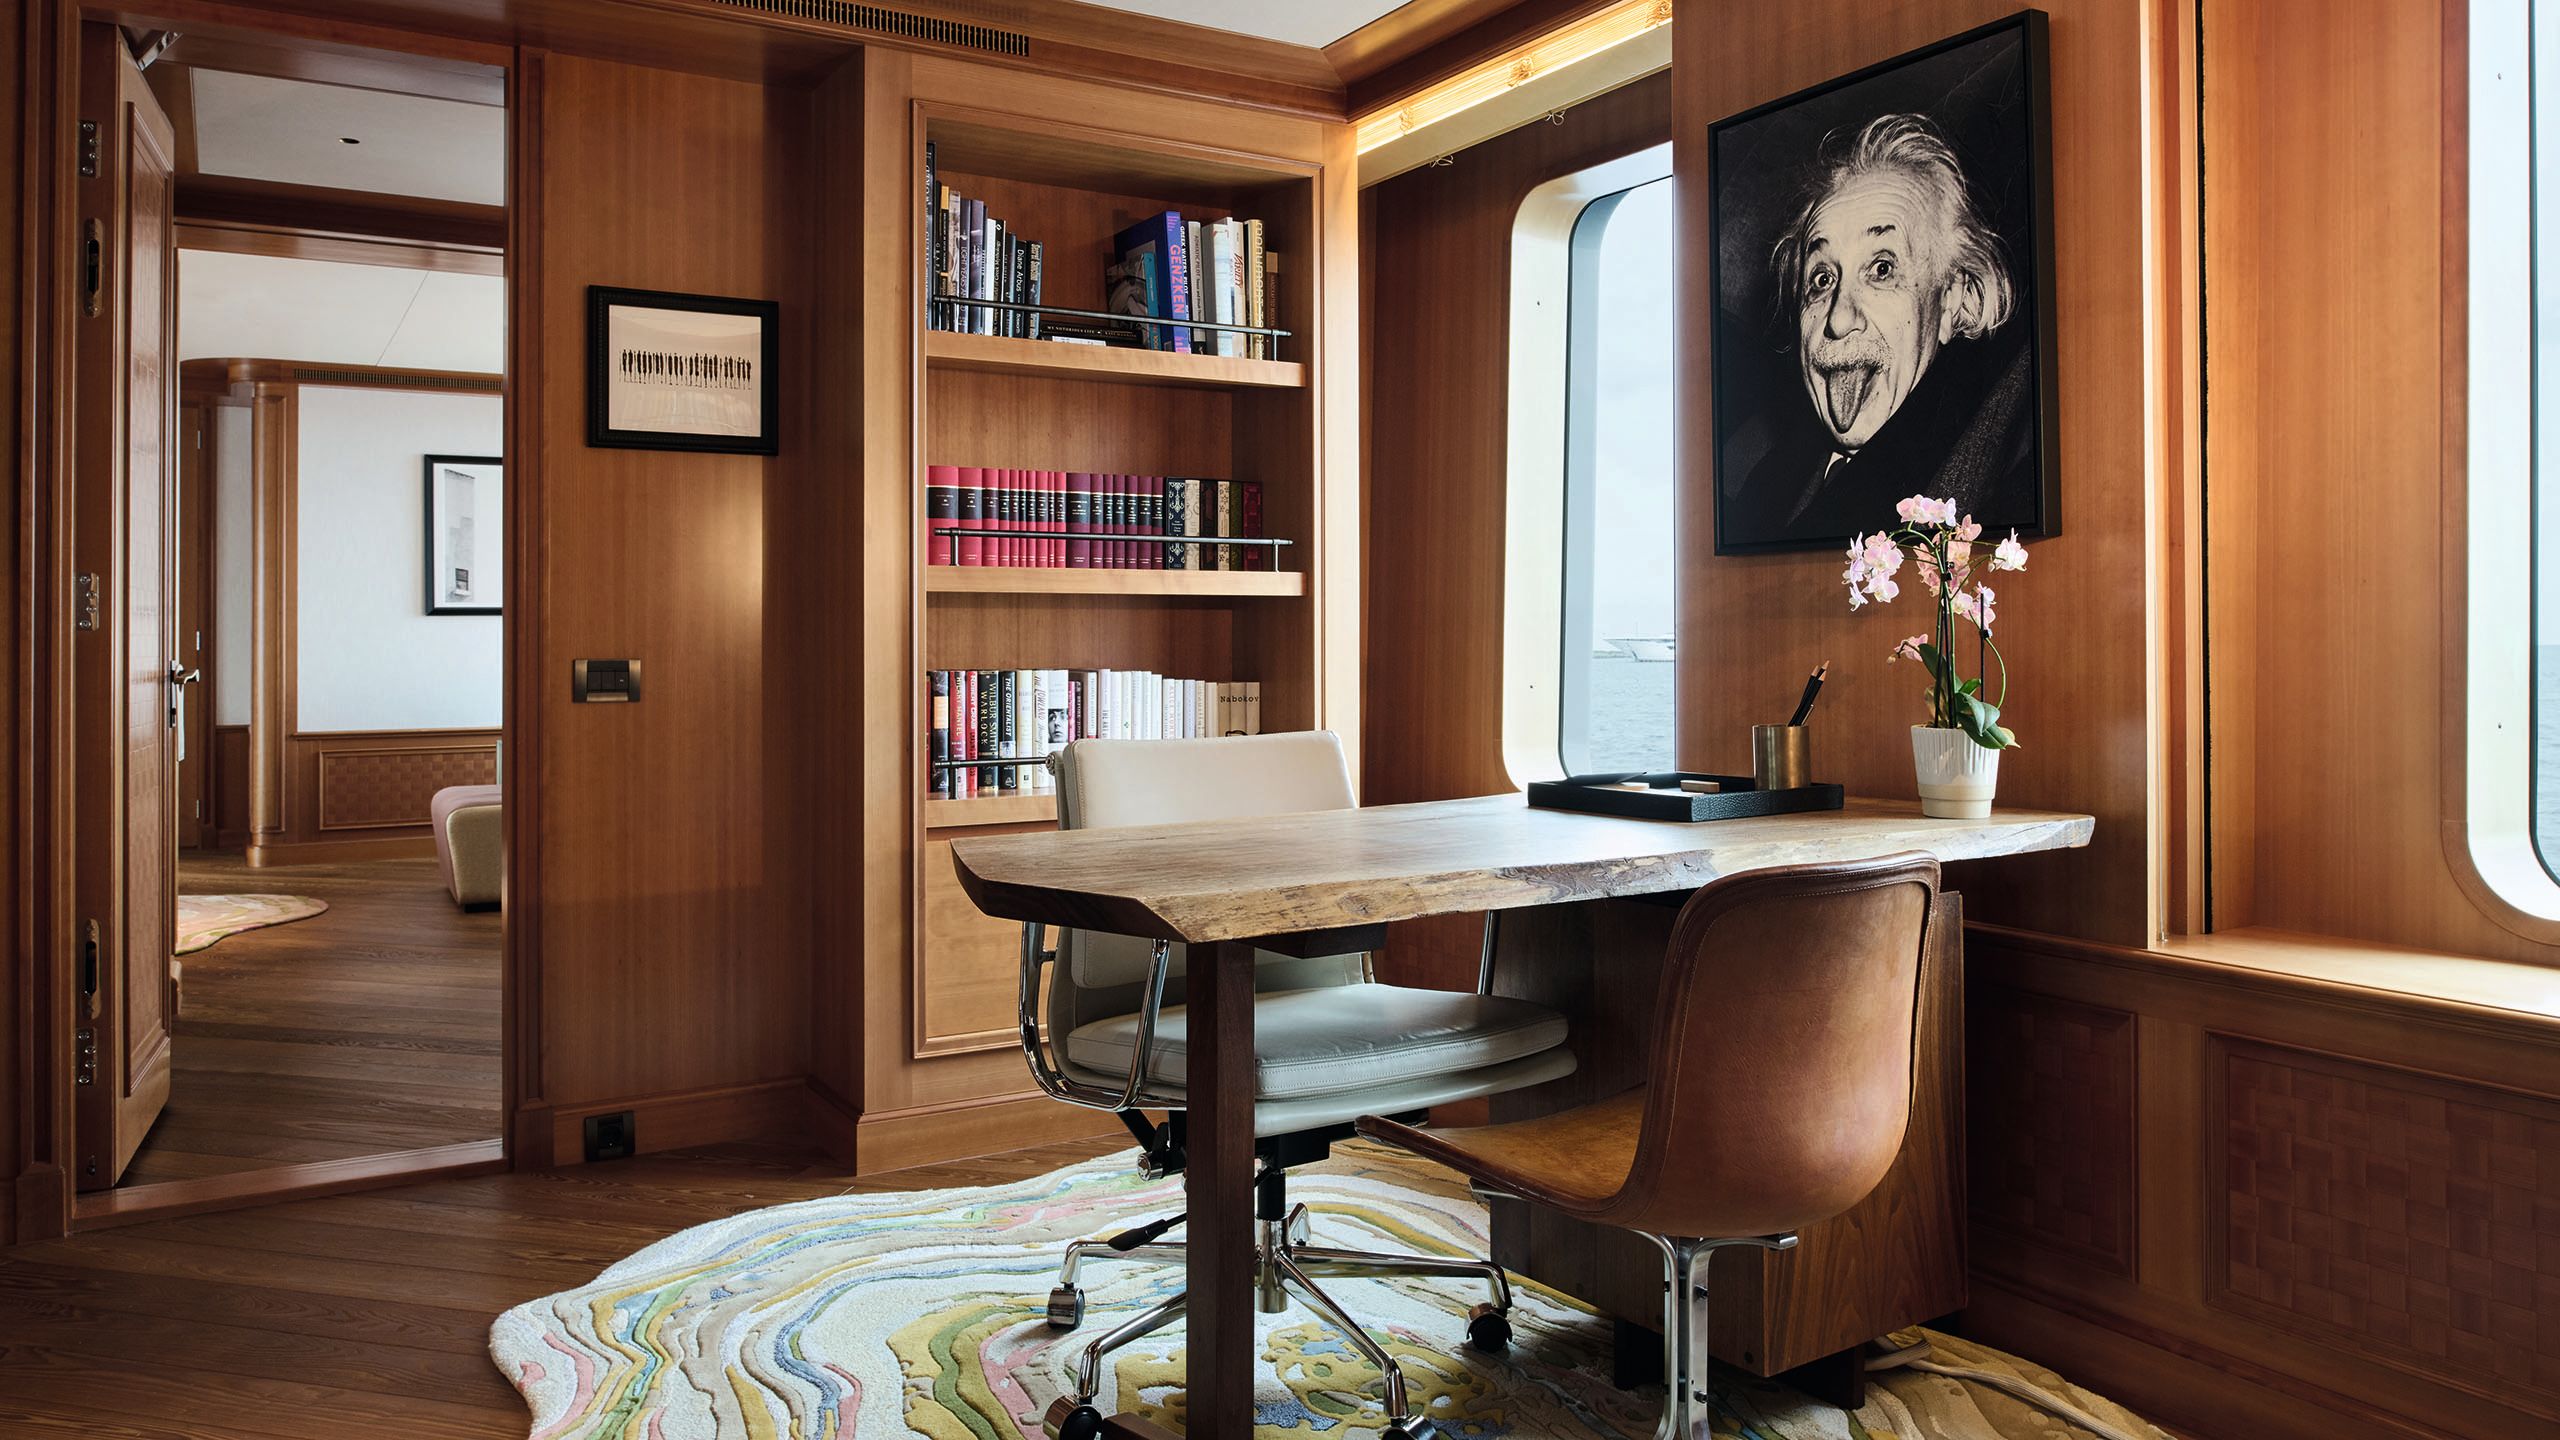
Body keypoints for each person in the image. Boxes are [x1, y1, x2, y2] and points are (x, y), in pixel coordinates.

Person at [1722, 111, 2038, 547]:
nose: (1838, 319)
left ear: (1953, 299)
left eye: (1882, 268)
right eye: (1822, 279)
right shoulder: (1759, 484)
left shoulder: (1995, 468)